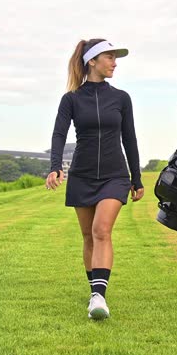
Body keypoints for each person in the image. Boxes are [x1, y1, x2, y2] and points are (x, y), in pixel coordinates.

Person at [46, 38, 145, 321]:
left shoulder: (121, 98)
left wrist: (136, 178)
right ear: (92, 61)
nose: (115, 63)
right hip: (82, 174)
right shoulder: (72, 99)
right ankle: (95, 292)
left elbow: (130, 138)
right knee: (88, 236)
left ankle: (99, 297)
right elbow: (59, 134)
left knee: (102, 230)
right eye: (110, 57)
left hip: (115, 174)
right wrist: (55, 166)